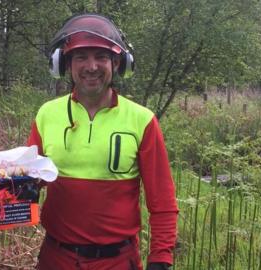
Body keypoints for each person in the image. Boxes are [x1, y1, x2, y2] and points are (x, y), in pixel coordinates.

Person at [27, 13, 178, 270]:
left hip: (118, 261)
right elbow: (28, 182)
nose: (91, 66)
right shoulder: (46, 115)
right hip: (56, 258)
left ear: (118, 63)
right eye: (81, 57)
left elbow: (162, 201)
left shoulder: (142, 121)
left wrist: (161, 258)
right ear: (64, 64)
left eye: (101, 56)